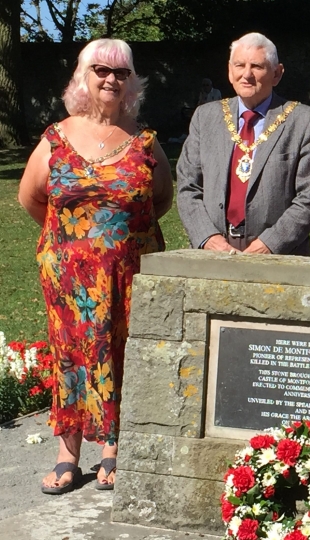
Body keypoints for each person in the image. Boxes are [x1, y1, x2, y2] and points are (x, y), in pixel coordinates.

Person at [17, 38, 173, 494]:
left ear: (131, 83)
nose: (110, 80)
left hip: (128, 275)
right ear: (83, 77)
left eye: (120, 73)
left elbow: (160, 199)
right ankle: (68, 455)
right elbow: (31, 199)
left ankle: (115, 448)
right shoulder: (56, 138)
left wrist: (117, 238)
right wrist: (74, 244)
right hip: (68, 282)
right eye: (101, 70)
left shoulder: (144, 142)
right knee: (72, 360)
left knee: (123, 355)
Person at [177, 32, 310, 254]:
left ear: (277, 74)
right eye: (239, 65)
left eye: (256, 66)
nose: (247, 75)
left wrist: (270, 244)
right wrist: (208, 238)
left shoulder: (304, 122)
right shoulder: (205, 117)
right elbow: (188, 186)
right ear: (230, 71)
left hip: (279, 256)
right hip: (212, 253)